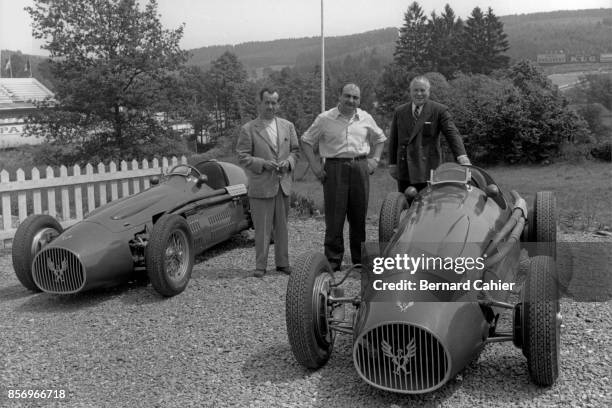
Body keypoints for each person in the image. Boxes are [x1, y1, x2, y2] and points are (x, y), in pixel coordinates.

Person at [301, 83, 386, 272]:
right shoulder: (325, 119)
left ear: (359, 100)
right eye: (347, 96)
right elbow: (306, 140)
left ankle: (359, 260)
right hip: (334, 168)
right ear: (339, 96)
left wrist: (375, 160)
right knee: (334, 218)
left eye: (355, 97)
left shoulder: (365, 117)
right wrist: (315, 167)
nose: (351, 101)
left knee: (358, 217)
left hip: (360, 167)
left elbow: (380, 138)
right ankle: (332, 261)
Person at [236, 88, 300, 277]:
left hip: (282, 185)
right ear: (260, 103)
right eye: (267, 102)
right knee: (262, 229)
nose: (271, 106)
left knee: (282, 228)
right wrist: (263, 164)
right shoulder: (248, 129)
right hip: (261, 186)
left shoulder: (288, 126)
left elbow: (295, 151)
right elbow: (242, 156)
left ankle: (283, 263)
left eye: (274, 102)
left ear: (278, 104)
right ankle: (260, 266)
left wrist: (288, 163)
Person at [388, 75, 471, 192]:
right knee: (405, 205)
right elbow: (394, 140)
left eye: (422, 90)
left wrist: (462, 156)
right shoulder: (400, 111)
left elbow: (452, 134)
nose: (419, 94)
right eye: (415, 90)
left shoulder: (439, 110)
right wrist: (392, 164)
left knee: (428, 207)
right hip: (405, 168)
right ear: (410, 92)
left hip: (428, 168)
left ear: (429, 91)